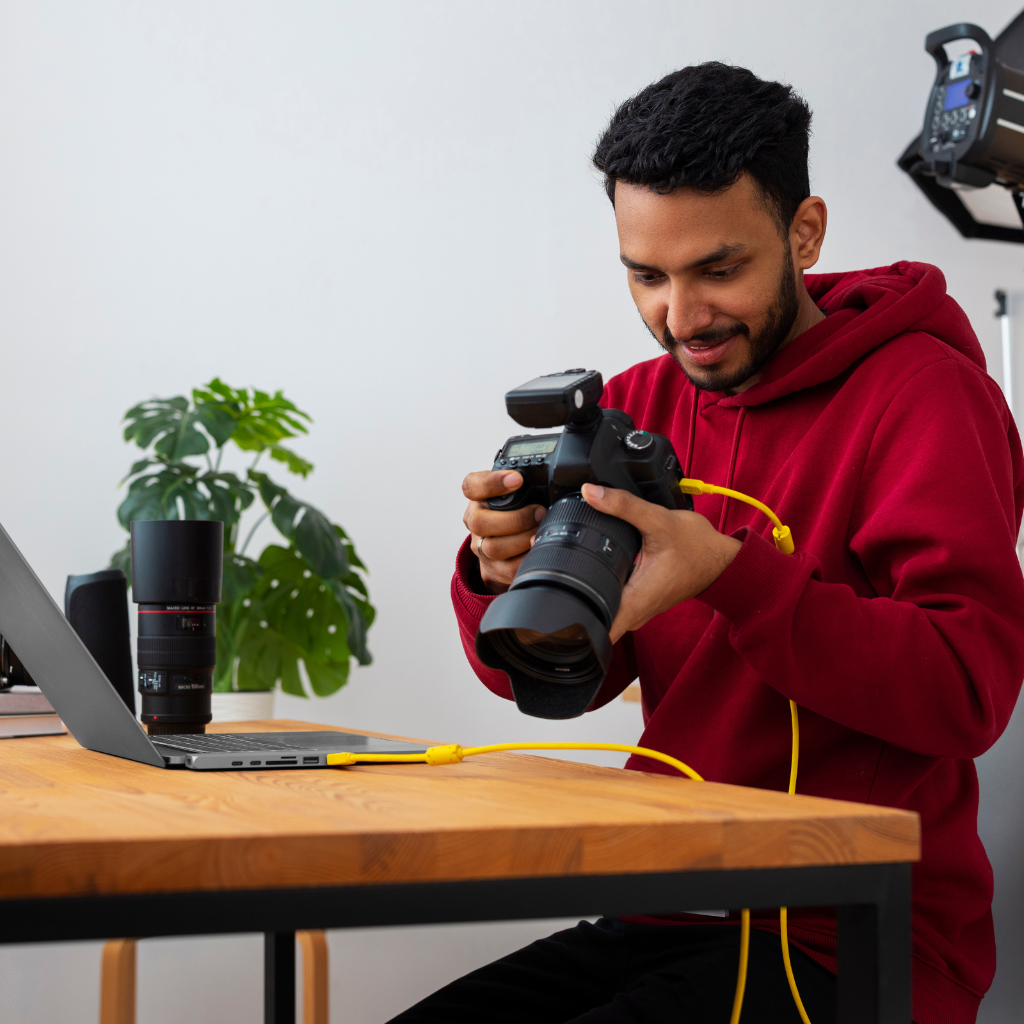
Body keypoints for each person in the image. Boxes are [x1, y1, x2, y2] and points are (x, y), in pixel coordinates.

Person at [393, 63, 1024, 1024]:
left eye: (718, 271)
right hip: (665, 903)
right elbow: (562, 685)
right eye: (647, 276)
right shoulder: (634, 408)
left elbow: (969, 691)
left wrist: (732, 576)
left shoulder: (925, 396)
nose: (680, 319)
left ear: (803, 233)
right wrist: (499, 573)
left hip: (852, 933)